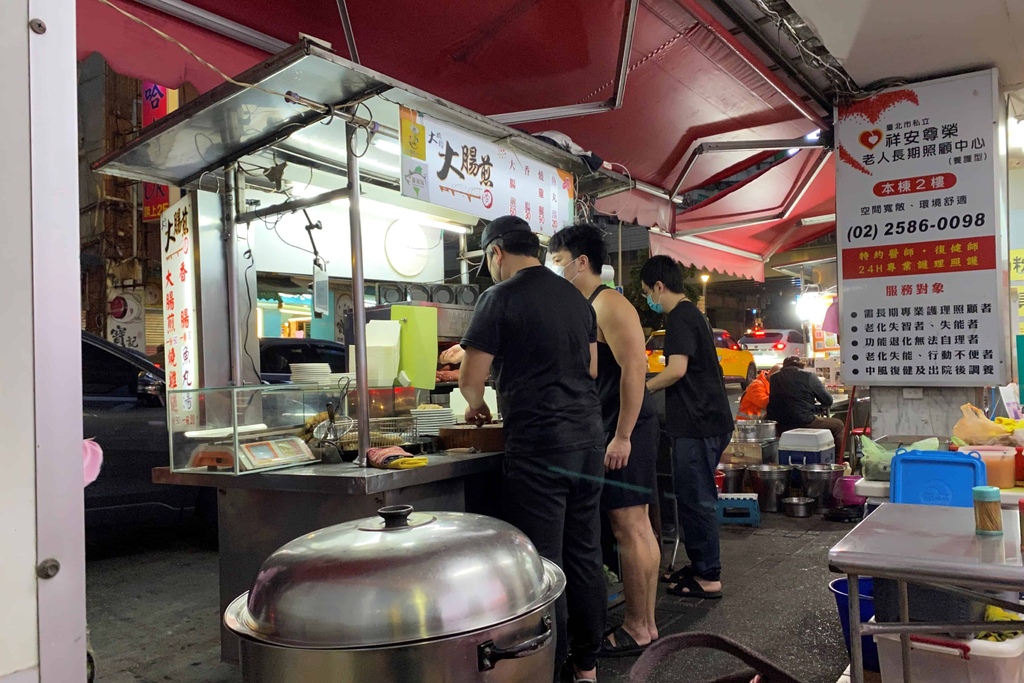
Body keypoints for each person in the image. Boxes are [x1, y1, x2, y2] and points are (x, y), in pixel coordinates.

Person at [459, 215, 606, 683]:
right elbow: (592, 368)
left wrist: (476, 404)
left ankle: (553, 667)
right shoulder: (576, 297)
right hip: (587, 440)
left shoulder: (497, 297)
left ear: (496, 252)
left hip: (541, 446)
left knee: (544, 562)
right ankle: (587, 666)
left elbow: (470, 378)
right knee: (585, 553)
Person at [548, 224, 660, 657]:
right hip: (619, 424)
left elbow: (635, 370)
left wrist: (622, 436)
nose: (553, 268)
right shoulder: (587, 305)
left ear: (581, 262)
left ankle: (637, 625)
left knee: (628, 526)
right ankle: (646, 624)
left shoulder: (608, 303)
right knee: (636, 525)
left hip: (627, 426)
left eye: (557, 261)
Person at [641, 255, 733, 600]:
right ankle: (699, 565)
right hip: (707, 420)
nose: (650, 298)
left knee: (697, 499)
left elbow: (677, 369)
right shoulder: (694, 314)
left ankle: (709, 575)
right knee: (696, 496)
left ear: (659, 287)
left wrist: (642, 387)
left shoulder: (679, 317)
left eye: (648, 291)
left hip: (698, 423)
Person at [766, 356, 844, 447]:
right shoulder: (809, 376)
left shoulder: (774, 378)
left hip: (779, 422)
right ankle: (838, 459)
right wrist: (816, 409)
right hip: (803, 421)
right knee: (838, 425)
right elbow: (828, 401)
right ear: (801, 366)